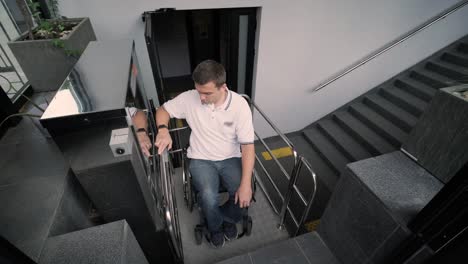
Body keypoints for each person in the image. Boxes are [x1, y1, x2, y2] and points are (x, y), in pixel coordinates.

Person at [155, 60, 255, 248]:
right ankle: (216, 226)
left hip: (230, 157)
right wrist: (162, 129)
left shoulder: (240, 106)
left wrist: (246, 184)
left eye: (207, 93)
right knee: (208, 196)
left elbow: (248, 147)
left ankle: (227, 219)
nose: (201, 98)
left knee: (242, 191)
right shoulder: (189, 98)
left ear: (223, 87)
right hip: (201, 158)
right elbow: (162, 110)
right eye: (198, 91)